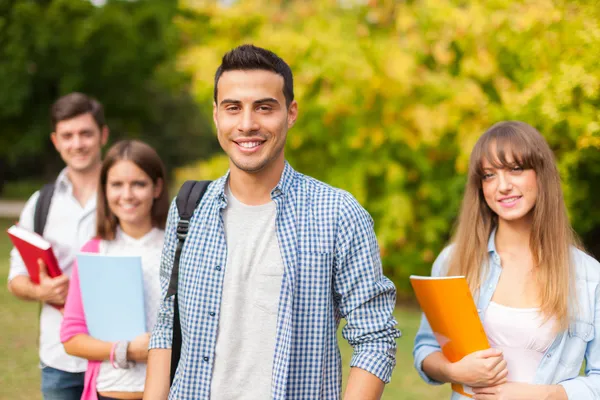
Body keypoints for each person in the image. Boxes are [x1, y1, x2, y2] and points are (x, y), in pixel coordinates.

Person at [143, 44, 400, 400]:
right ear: (216, 115)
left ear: (290, 113)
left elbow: (375, 337)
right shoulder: (188, 207)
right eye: (233, 108)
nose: (247, 124)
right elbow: (167, 322)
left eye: (264, 107)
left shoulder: (338, 213)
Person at [413, 121, 600, 400]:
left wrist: (544, 396)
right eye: (489, 175)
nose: (502, 186)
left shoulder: (588, 275)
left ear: (541, 175)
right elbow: (426, 348)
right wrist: (455, 372)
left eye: (516, 169)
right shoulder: (454, 260)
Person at [7, 92, 109, 400]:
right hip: (59, 361)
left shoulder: (125, 195)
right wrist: (42, 292)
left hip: (115, 357)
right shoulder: (41, 204)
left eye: (85, 134)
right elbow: (16, 278)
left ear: (103, 135)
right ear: (55, 141)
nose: (77, 144)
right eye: (67, 135)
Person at [61, 139, 170, 400]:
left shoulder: (178, 247)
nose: (127, 195)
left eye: (138, 184)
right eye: (117, 185)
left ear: (157, 188)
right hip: (110, 391)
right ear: (105, 190)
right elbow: (72, 337)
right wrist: (128, 350)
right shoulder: (95, 251)